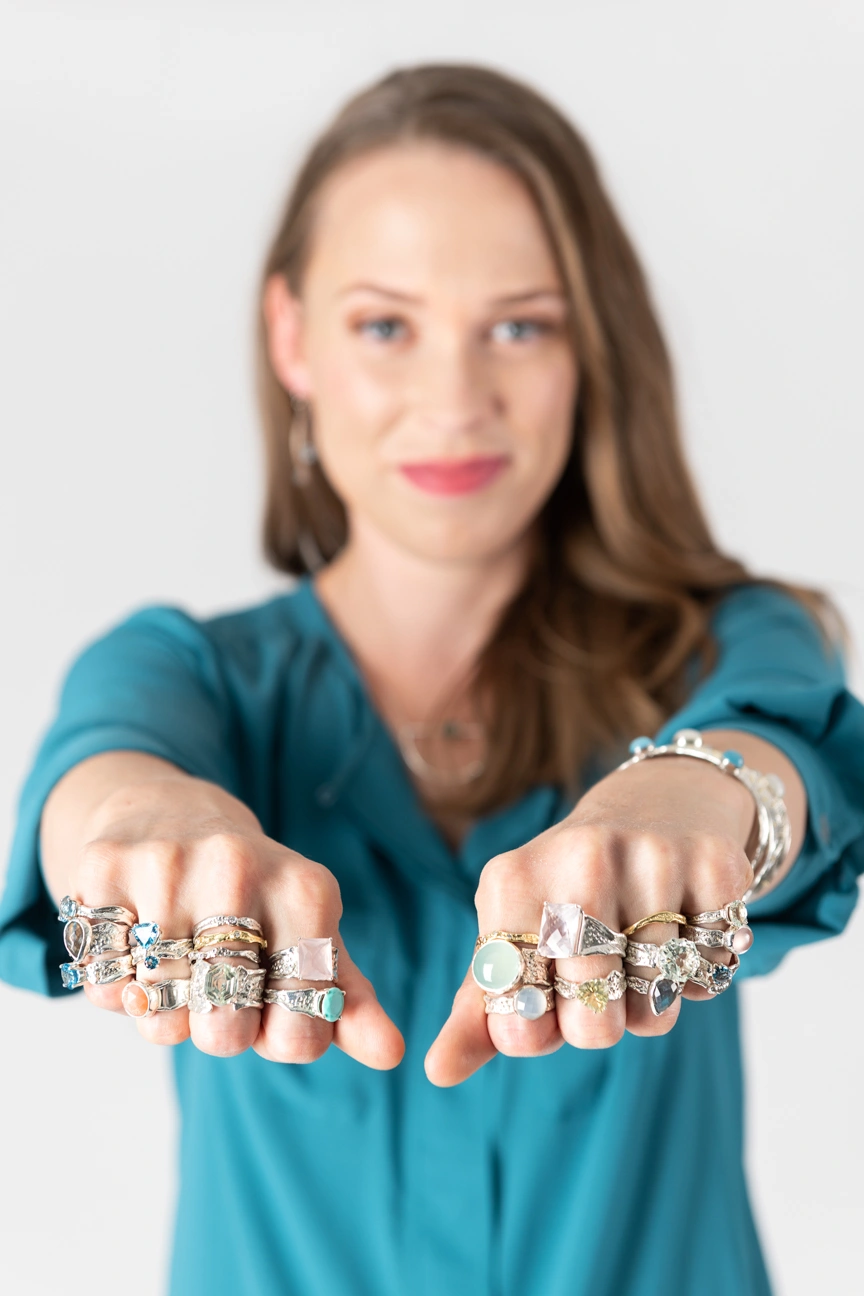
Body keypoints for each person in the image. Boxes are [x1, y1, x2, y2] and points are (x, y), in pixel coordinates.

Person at [1, 62, 863, 1296]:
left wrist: (696, 802)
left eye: (520, 324)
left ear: (589, 348)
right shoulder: (185, 671)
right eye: (386, 326)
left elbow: (789, 756)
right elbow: (100, 774)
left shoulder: (727, 643)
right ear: (293, 336)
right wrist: (142, 833)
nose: (455, 401)